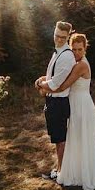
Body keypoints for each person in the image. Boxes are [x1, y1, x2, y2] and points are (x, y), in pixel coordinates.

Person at [40, 33, 95, 190]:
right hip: (74, 104)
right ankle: (73, 171)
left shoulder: (81, 65)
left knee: (81, 138)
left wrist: (42, 86)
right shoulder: (73, 62)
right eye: (74, 49)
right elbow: (58, 78)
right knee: (74, 139)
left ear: (85, 48)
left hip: (82, 106)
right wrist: (44, 80)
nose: (77, 52)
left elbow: (61, 85)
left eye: (80, 49)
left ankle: (83, 175)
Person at [34, 21, 75, 180]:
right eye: (56, 36)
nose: (58, 39)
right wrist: (43, 79)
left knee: (61, 140)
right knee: (58, 139)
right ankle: (60, 169)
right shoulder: (57, 52)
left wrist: (40, 84)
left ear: (68, 37)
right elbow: (53, 77)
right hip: (53, 103)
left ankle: (62, 174)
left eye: (63, 37)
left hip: (58, 103)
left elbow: (55, 84)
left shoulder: (66, 56)